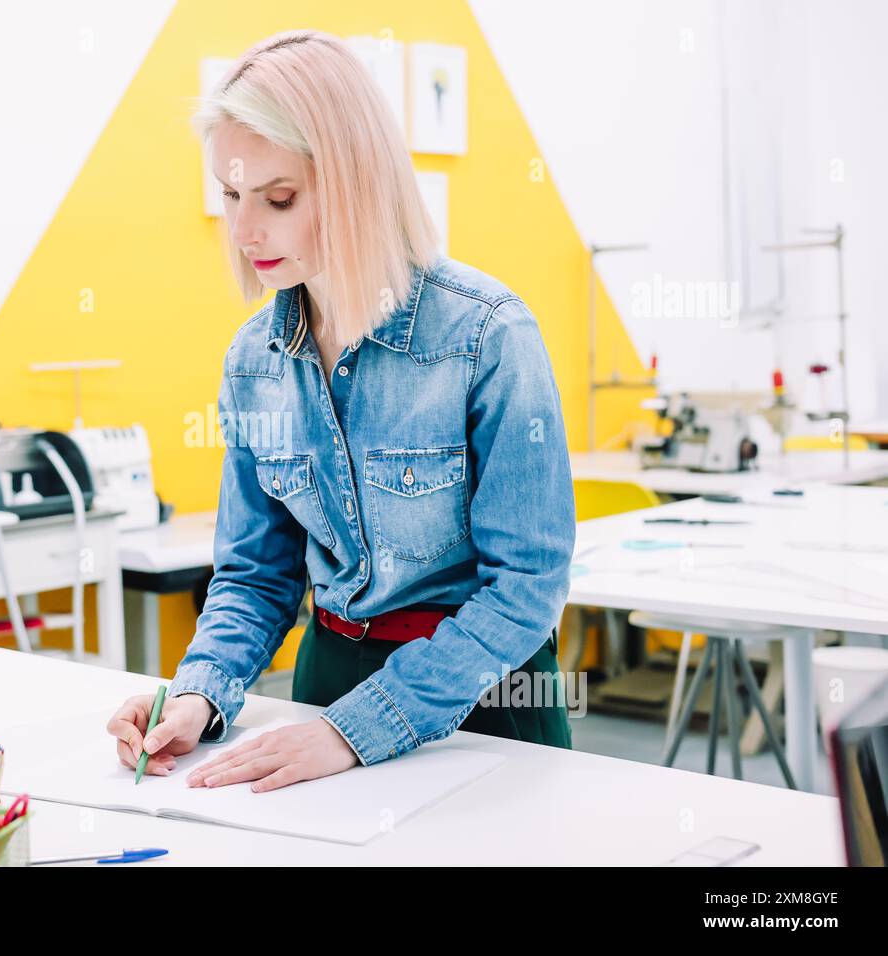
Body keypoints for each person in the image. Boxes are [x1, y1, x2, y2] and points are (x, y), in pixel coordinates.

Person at [107, 29, 575, 793]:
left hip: (485, 700)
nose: (244, 230)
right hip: (326, 684)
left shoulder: (488, 335)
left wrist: (361, 727)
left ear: (356, 181)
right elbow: (256, 576)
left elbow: (526, 588)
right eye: (230, 195)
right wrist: (198, 693)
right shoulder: (253, 360)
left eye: (278, 198)